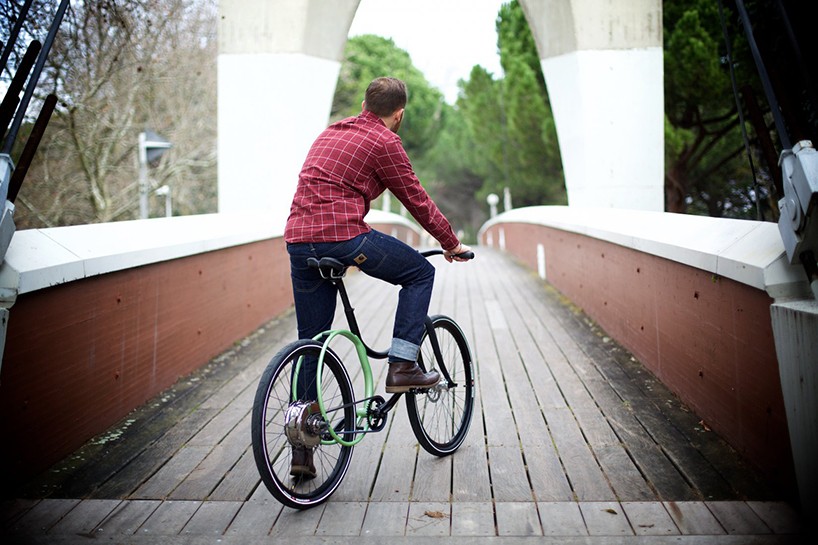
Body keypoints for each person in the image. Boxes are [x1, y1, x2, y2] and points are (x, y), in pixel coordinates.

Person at [284, 77, 471, 477]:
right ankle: (403, 366)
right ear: (399, 112)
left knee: (311, 343)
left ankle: (302, 448)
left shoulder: (330, 132)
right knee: (420, 273)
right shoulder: (386, 142)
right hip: (343, 238)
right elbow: (416, 200)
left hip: (299, 242)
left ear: (365, 103)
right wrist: (450, 243)